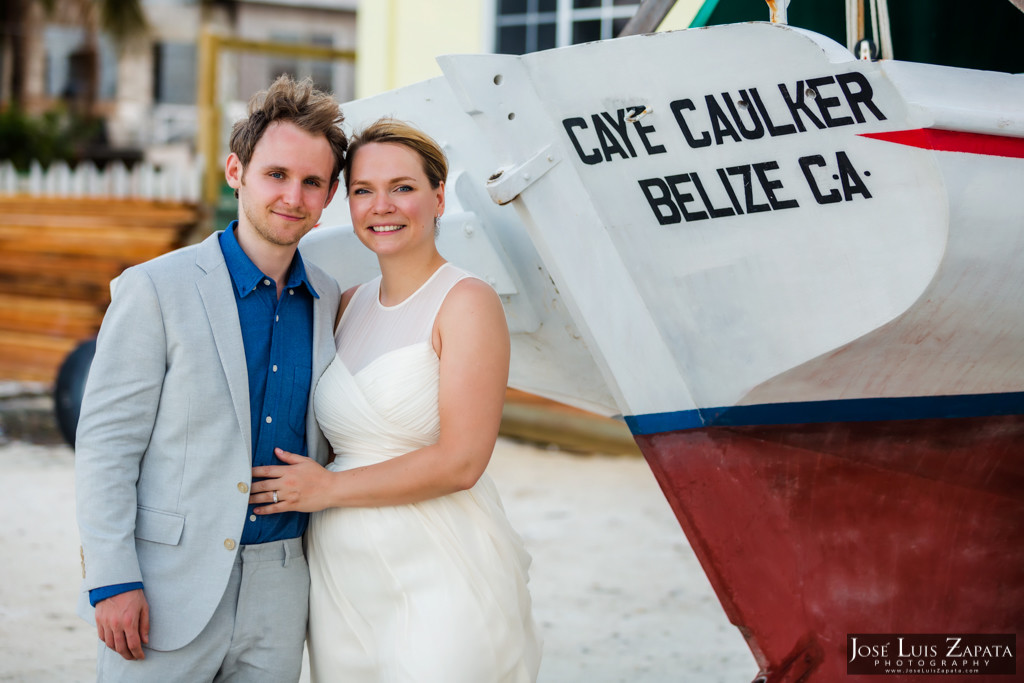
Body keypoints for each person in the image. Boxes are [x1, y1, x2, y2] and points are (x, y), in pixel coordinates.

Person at [249, 118, 543, 682]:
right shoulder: (344, 304)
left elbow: (462, 461)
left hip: (438, 562)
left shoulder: (466, 303)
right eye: (364, 190)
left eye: (402, 188)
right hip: (343, 579)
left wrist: (330, 487)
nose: (382, 205)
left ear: (438, 196)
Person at [74, 74, 346, 681]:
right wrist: (112, 578)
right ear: (236, 172)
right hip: (165, 588)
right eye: (276, 174)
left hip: (281, 593)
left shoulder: (327, 297)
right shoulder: (154, 288)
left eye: (312, 182)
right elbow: (107, 442)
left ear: (329, 195)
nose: (293, 196)